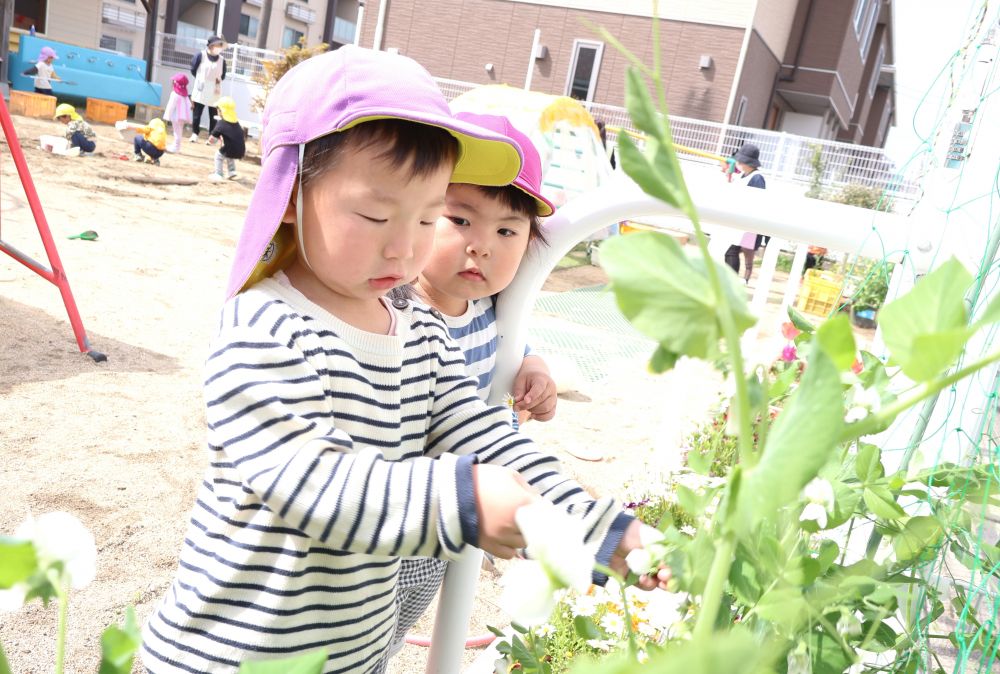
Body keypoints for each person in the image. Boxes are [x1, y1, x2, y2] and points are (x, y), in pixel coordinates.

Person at [140, 46, 661, 674]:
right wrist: (463, 499)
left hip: (351, 652)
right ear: (290, 194)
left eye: (428, 217)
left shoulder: (418, 327)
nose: (404, 247)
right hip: (230, 655)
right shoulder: (263, 329)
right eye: (376, 214)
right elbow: (311, 484)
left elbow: (481, 434)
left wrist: (596, 526)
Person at [384, 113, 558, 664]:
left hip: (450, 521)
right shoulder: (394, 305)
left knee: (399, 621)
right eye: (459, 219)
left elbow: (516, 348)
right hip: (399, 505)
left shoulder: (491, 310)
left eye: (507, 231)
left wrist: (534, 368)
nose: (481, 246)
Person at [724, 142, 766, 283]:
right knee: (736, 252)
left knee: (745, 253)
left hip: (750, 225)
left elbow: (758, 202)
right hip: (741, 223)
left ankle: (737, 281)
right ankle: (737, 281)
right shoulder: (742, 175)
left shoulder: (757, 178)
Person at [189, 34, 227, 143]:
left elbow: (223, 75)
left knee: (213, 116)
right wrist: (202, 79)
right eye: (217, 45)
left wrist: (214, 82)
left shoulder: (222, 60)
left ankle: (212, 136)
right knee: (197, 114)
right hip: (201, 88)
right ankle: (195, 133)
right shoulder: (200, 55)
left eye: (220, 45)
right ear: (211, 46)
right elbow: (193, 70)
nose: (219, 47)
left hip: (214, 90)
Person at [207, 96, 245, 181]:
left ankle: (218, 174)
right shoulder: (236, 123)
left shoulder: (221, 123)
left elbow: (212, 139)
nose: (217, 110)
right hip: (240, 150)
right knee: (228, 152)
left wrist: (210, 141)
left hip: (230, 149)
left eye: (218, 109)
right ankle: (232, 171)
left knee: (218, 155)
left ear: (222, 111)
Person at [163, 73, 192, 153]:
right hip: (182, 117)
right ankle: (176, 146)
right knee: (179, 131)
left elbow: (170, 106)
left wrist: (167, 116)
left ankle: (176, 147)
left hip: (176, 117)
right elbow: (189, 106)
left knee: (177, 132)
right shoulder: (185, 95)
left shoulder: (174, 94)